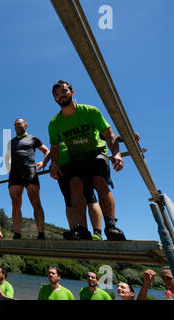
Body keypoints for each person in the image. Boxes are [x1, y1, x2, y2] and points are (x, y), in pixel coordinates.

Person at [48, 80, 126, 241]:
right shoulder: (54, 123)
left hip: (96, 152)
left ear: (72, 92)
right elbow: (54, 148)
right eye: (57, 94)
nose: (61, 95)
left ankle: (111, 225)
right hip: (76, 158)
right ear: (55, 99)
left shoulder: (90, 111)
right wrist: (54, 163)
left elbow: (109, 134)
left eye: (64, 91)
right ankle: (82, 229)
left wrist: (116, 153)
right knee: (75, 184)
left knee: (99, 180)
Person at [5, 118, 50, 240]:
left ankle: (41, 234)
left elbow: (47, 151)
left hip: (29, 170)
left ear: (26, 125)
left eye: (19, 123)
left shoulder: (33, 138)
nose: (17, 126)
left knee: (35, 200)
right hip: (15, 173)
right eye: (15, 124)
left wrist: (43, 163)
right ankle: (17, 234)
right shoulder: (11, 142)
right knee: (15, 203)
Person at [58, 142, 103, 240]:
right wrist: (45, 162)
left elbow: (103, 135)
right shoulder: (58, 135)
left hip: (80, 162)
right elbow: (52, 151)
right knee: (69, 201)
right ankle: (77, 231)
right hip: (63, 168)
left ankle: (97, 233)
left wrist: (123, 138)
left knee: (89, 195)